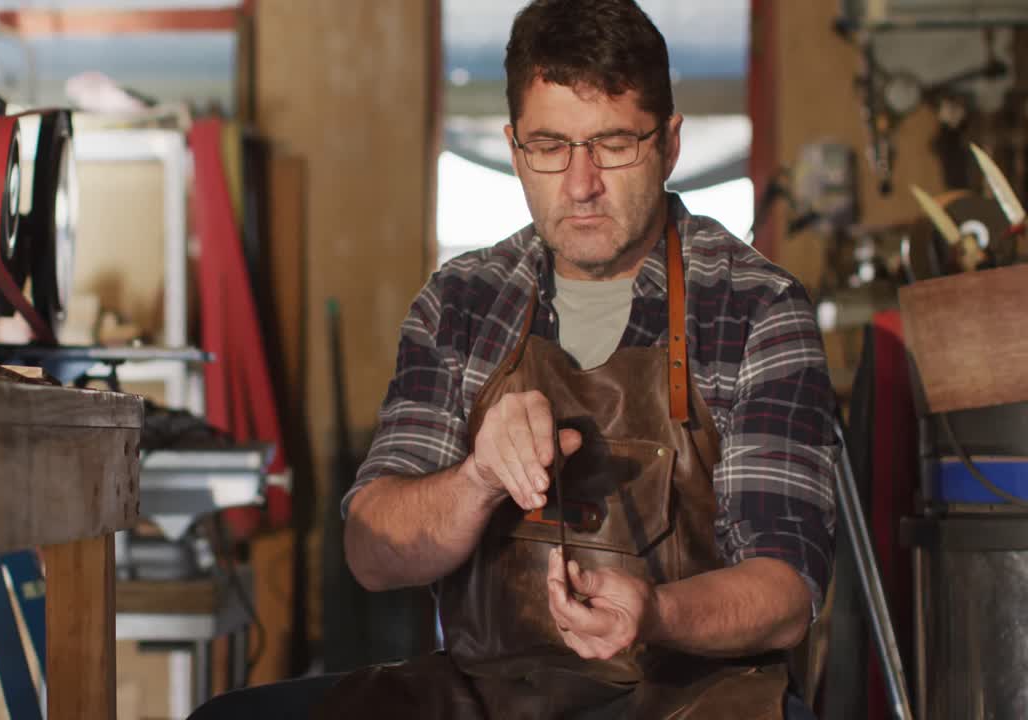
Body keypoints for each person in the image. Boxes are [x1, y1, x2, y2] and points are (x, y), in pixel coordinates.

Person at [192, 1, 836, 717]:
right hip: (492, 693)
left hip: (693, 697)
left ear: (671, 143)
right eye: (550, 146)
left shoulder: (756, 307)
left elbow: (786, 593)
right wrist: (479, 479)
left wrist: (654, 613)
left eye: (614, 144)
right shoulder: (463, 301)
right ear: (513, 146)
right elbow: (371, 553)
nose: (581, 183)